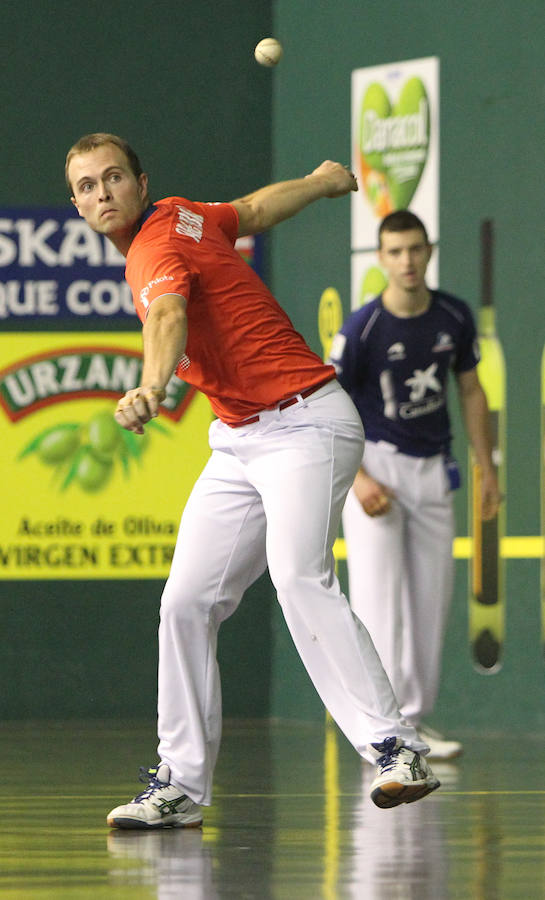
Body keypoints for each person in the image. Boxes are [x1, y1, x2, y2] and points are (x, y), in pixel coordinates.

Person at [65, 134, 440, 827]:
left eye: (113, 177)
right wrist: (321, 181)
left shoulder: (157, 244)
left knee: (298, 575)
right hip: (239, 438)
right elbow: (252, 209)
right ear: (79, 206)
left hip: (306, 422)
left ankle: (396, 746)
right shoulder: (183, 214)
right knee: (185, 602)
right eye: (87, 186)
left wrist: (151, 386)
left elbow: (170, 314)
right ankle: (178, 784)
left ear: (141, 185)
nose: (102, 193)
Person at [328, 210, 502, 759]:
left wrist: (486, 467)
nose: (406, 261)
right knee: (379, 604)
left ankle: (415, 724)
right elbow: (328, 405)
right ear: (381, 259)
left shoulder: (453, 315)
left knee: (431, 605)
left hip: (433, 470)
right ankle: (380, 731)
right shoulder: (362, 329)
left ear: (428, 252)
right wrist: (356, 477)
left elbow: (472, 392)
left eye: (415, 250)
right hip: (375, 466)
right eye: (395, 251)